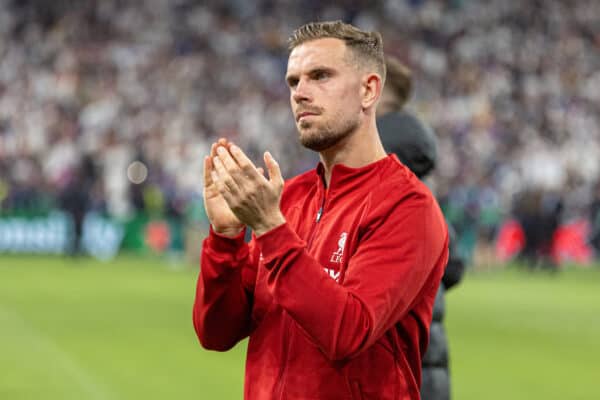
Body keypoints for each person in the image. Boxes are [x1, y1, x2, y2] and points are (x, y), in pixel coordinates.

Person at [193, 20, 449, 399]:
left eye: (320, 76)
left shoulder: (407, 205)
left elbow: (347, 333)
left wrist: (269, 227)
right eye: (294, 82)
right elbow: (215, 332)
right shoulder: (291, 199)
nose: (300, 93)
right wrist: (226, 239)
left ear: (369, 89)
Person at [376, 56, 465, 400]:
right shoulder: (418, 165)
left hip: (391, 363)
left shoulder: (380, 154)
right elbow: (453, 264)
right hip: (427, 354)